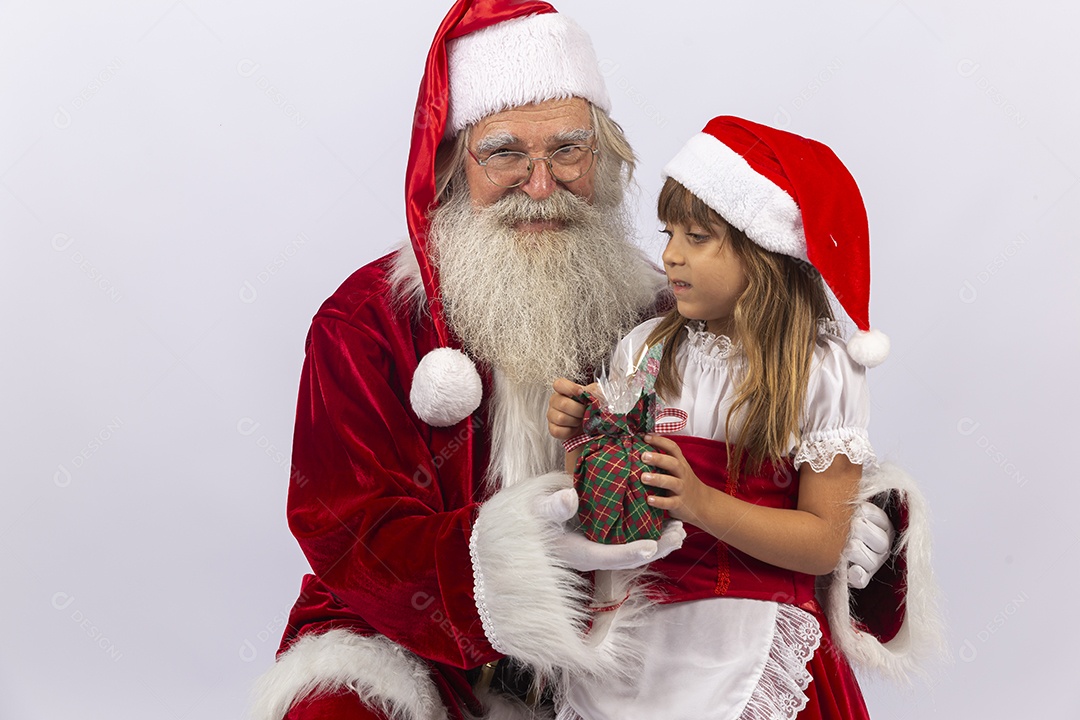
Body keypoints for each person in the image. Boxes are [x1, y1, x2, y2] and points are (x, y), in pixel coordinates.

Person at [249, 3, 924, 719]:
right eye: (505, 152)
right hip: (421, 642)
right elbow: (343, 525)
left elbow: (772, 437)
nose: (541, 186)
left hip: (636, 633)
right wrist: (508, 558)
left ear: (602, 161)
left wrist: (861, 519)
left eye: (568, 151)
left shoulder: (665, 313)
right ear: (451, 163)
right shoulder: (367, 323)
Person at [547, 116, 940, 719]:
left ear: (763, 251)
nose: (670, 254)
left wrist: (703, 504)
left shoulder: (820, 371)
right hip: (640, 643)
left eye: (697, 236)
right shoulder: (646, 349)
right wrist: (583, 439)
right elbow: (609, 507)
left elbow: (822, 543)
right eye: (668, 232)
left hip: (749, 637)